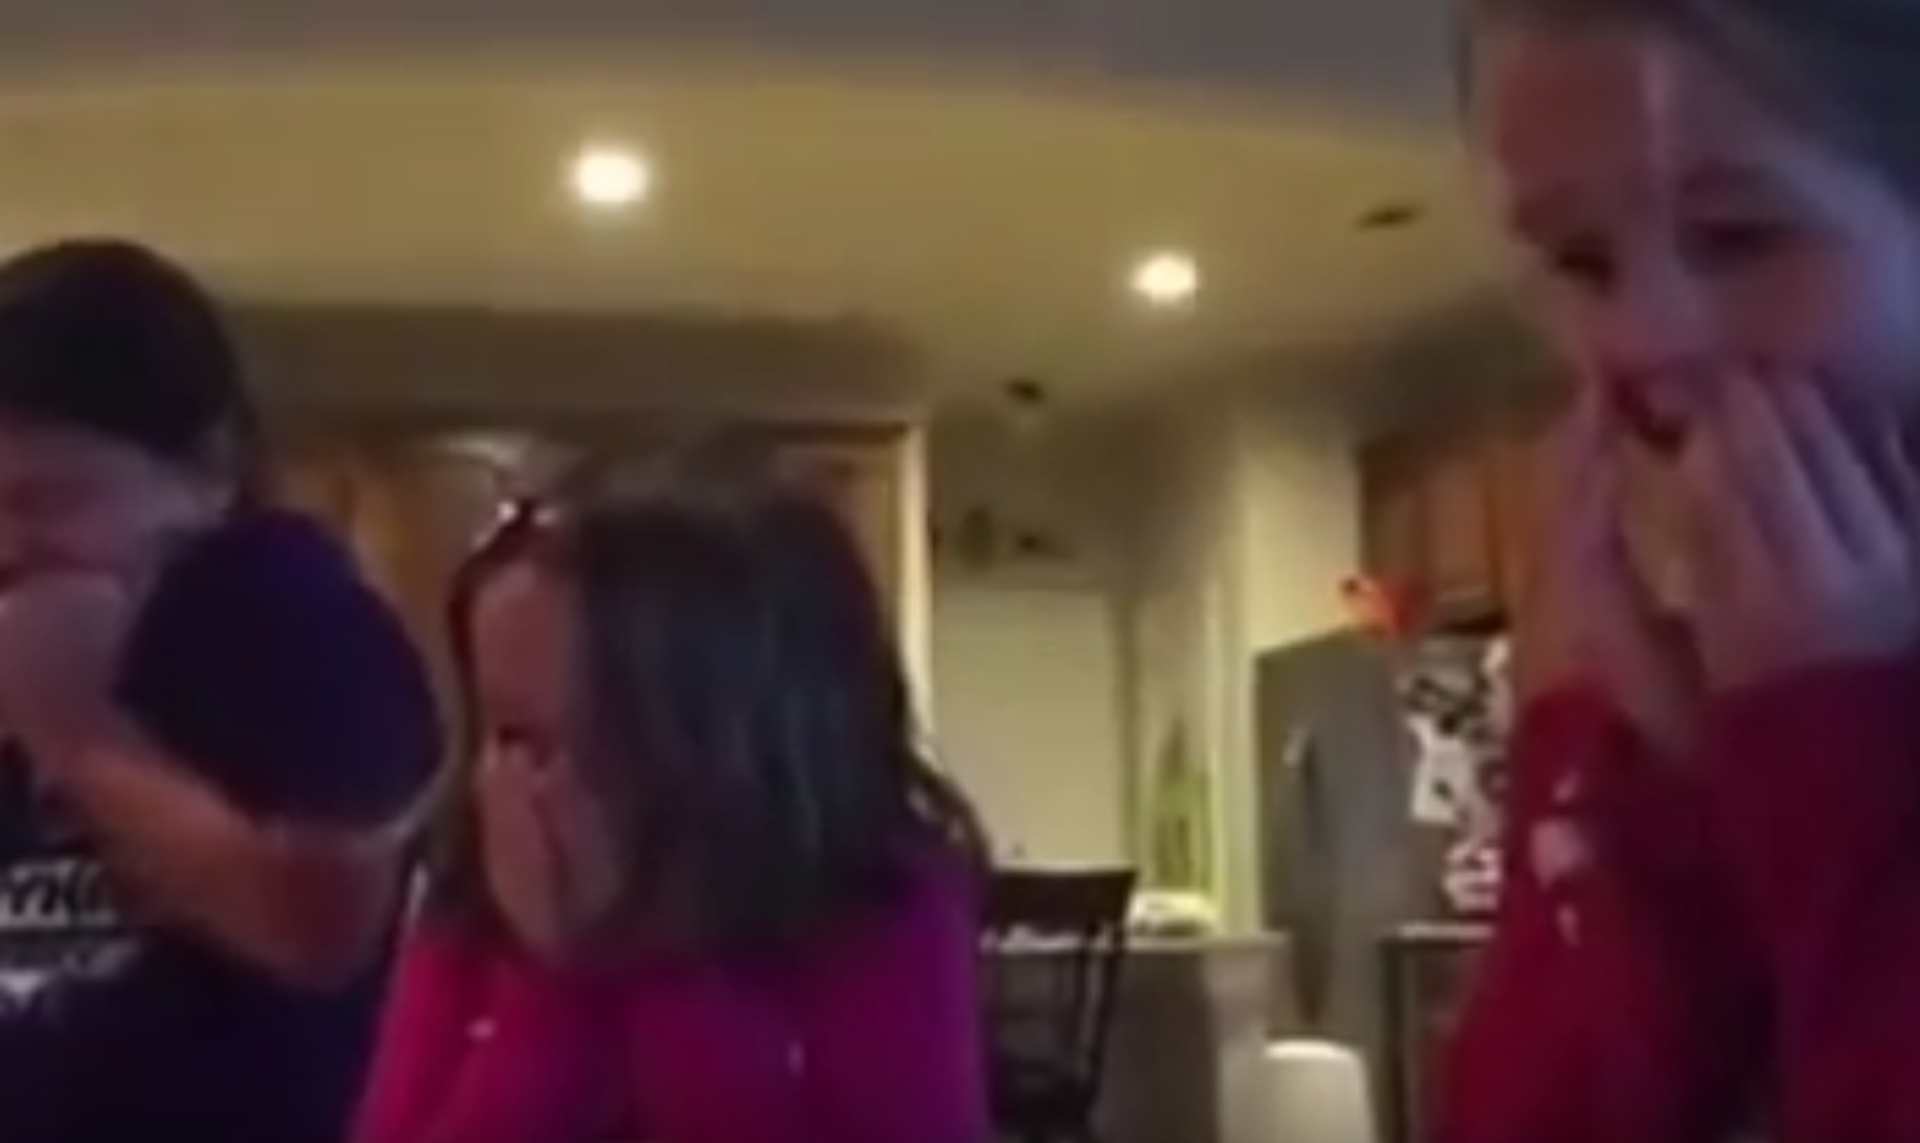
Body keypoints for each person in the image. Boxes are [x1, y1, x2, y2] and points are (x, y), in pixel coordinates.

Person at [1440, 0, 1920, 1140]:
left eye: (1741, 237)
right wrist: (1653, 785)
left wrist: (1834, 753)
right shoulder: (1626, 684)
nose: (1639, 340)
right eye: (1580, 261)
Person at [354, 459, 991, 1143]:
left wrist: (656, 968)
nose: (510, 782)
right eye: (505, 735)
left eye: (565, 742)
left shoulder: (878, 902)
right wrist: (552, 984)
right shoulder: (471, 906)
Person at [0, 238, 441, 1142]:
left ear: (210, 470)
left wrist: (81, 738)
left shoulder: (291, 613)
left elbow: (321, 928)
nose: (9, 544)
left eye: (50, 499)